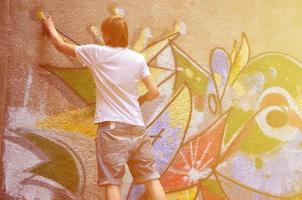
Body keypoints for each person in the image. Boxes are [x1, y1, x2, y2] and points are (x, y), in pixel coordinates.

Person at [42, 15, 166, 200]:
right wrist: (141, 99)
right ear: (125, 34)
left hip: (112, 130)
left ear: (106, 34)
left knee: (112, 183)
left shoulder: (97, 53)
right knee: (152, 179)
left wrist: (50, 27)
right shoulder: (137, 59)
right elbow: (155, 92)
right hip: (137, 128)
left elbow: (61, 46)